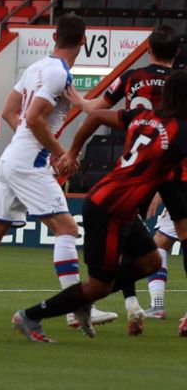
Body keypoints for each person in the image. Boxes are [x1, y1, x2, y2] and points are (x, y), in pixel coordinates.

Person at [0, 14, 118, 330]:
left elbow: (9, 112)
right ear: (84, 42)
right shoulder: (58, 74)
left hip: (13, 160)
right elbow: (33, 119)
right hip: (29, 164)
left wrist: (26, 139)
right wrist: (60, 153)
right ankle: (76, 307)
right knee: (67, 229)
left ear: (54, 37)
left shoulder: (36, 68)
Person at [13, 70, 187, 343]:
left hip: (118, 206)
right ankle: (31, 315)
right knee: (98, 285)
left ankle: (84, 299)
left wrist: (72, 151)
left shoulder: (140, 117)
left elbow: (95, 115)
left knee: (151, 260)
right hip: (109, 210)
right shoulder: (181, 133)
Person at [65, 24, 181, 327]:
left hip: (136, 167)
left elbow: (96, 109)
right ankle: (137, 304)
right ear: (177, 52)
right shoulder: (179, 84)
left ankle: (128, 303)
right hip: (174, 166)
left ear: (148, 49)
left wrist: (79, 102)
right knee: (175, 235)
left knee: (125, 232)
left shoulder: (131, 78)